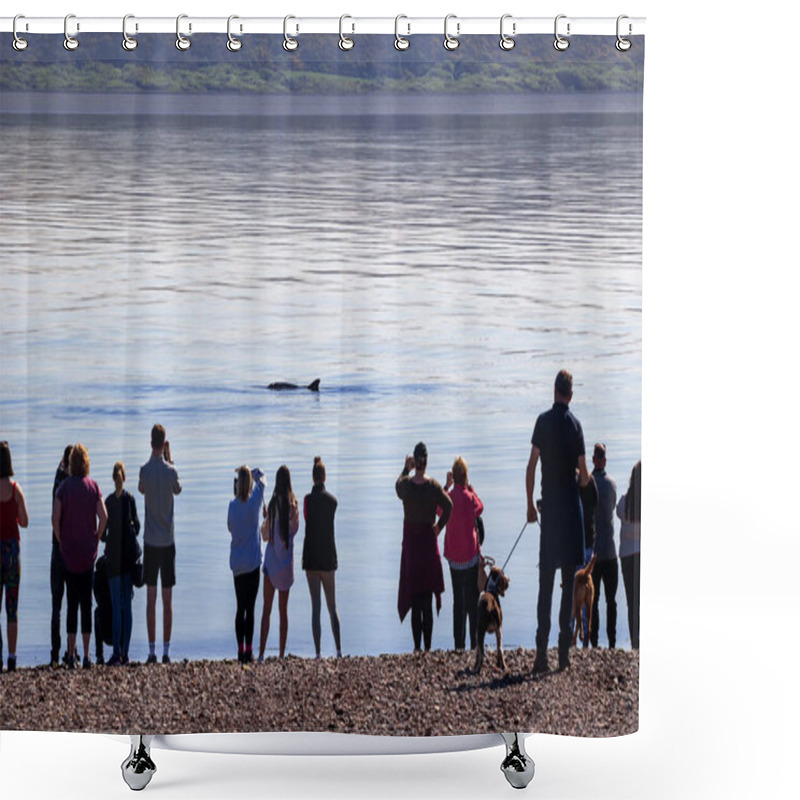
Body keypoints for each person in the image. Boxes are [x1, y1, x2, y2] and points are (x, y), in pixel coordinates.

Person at [526, 370, 591, 673]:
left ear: (554, 390)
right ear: (571, 394)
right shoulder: (575, 425)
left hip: (550, 512)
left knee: (545, 584)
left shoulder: (542, 421)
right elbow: (585, 475)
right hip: (571, 514)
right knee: (568, 584)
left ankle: (541, 652)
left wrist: (530, 505)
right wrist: (580, 477)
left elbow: (531, 467)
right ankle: (563, 653)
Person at [53, 443, 108, 669]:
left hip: (68, 553)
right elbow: (103, 516)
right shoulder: (93, 486)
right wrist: (97, 538)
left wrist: (60, 539)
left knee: (71, 605)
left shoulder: (63, 488)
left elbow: (55, 518)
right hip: (87, 554)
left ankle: (71, 653)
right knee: (86, 604)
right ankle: (86, 656)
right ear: (86, 462)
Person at [396, 442, 452, 652]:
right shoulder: (433, 486)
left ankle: (417, 647)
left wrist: (405, 468)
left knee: (415, 599)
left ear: (415, 462)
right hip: (428, 546)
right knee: (426, 600)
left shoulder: (407, 485)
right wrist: (439, 527)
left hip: (412, 547)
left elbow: (397, 487)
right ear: (426, 462)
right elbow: (449, 506)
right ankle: (427, 647)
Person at [138, 424, 182, 665]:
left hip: (150, 542)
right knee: (167, 600)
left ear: (150, 442)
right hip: (167, 541)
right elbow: (178, 489)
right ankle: (166, 650)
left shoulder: (144, 470)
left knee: (151, 599)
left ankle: (152, 650)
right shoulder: (171, 471)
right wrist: (170, 459)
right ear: (164, 443)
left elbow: (142, 489)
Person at [302, 456, 342, 659]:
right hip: (327, 559)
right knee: (332, 606)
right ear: (324, 477)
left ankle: (318, 653)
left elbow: (307, 519)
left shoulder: (307, 501)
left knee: (315, 607)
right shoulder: (332, 501)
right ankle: (338, 650)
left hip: (311, 559)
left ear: (313, 477)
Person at [442, 456, 483, 651]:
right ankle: (474, 644)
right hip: (471, 557)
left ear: (454, 476)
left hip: (454, 559)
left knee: (458, 601)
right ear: (465, 476)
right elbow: (480, 507)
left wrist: (446, 486)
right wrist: (471, 487)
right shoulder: (469, 497)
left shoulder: (448, 497)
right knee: (472, 602)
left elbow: (437, 508)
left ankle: (459, 645)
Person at [259, 465, 299, 661]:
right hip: (286, 567)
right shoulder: (293, 505)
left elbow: (265, 536)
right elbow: (295, 530)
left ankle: (260, 653)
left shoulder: (273, 504)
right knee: (283, 612)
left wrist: (266, 518)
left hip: (271, 565)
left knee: (267, 609)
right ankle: (282, 654)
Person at [102, 462, 141, 666]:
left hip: (113, 561)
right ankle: (125, 653)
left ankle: (116, 652)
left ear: (113, 478)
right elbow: (138, 526)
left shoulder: (108, 501)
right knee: (127, 606)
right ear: (124, 478)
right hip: (127, 560)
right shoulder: (129, 499)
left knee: (116, 607)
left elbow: (103, 532)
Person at [227, 465, 265, 664]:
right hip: (252, 562)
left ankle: (240, 650)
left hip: (238, 565)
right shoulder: (255, 502)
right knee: (250, 609)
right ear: (249, 483)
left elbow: (229, 527)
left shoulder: (232, 506)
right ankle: (248, 651)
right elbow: (264, 482)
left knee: (239, 607)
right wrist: (257, 473)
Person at [0, 441, 30, 673]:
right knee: (12, 609)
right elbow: (26, 521)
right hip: (12, 553)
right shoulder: (16, 489)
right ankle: (12, 658)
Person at [589, 443, 619, 649]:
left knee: (594, 600)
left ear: (593, 460)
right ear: (605, 460)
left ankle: (593, 641)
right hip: (610, 551)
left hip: (594, 554)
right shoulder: (612, 484)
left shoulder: (586, 483)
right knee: (611, 601)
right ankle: (612, 642)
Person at [50, 445, 72, 667]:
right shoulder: (74, 485)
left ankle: (55, 652)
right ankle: (70, 648)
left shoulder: (58, 481)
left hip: (57, 547)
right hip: (70, 549)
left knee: (56, 604)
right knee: (72, 601)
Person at [617, 460, 641, 650]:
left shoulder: (624, 502)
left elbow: (618, 512)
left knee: (632, 601)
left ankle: (635, 642)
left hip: (626, 557)